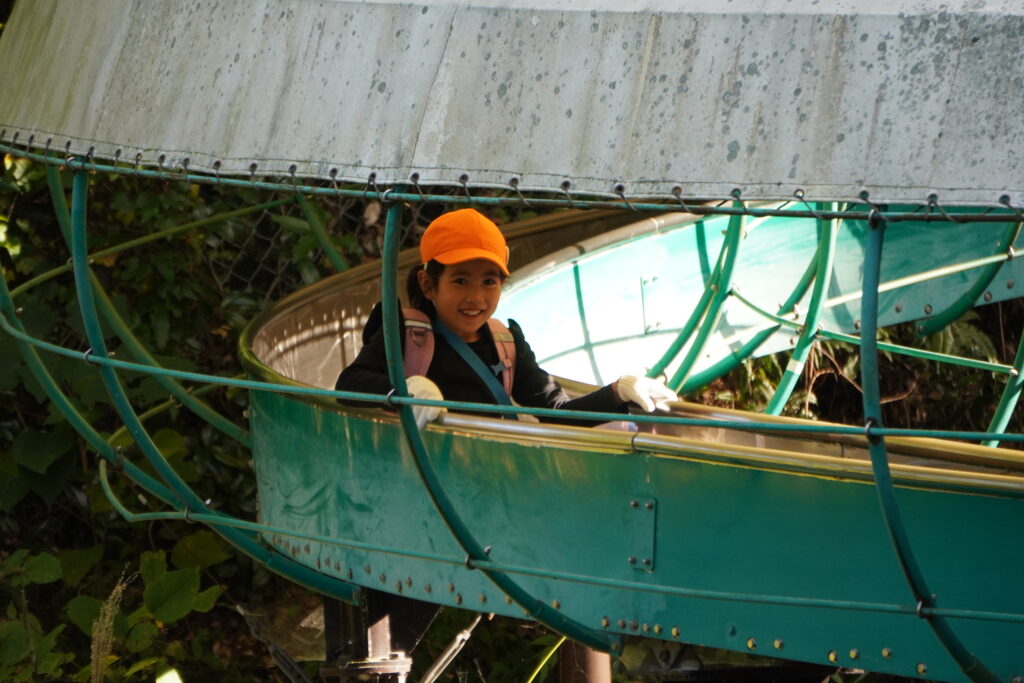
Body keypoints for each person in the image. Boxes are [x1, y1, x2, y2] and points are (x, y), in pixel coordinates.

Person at [335, 208, 677, 428]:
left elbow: (555, 410)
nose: (476, 297)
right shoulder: (404, 333)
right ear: (428, 284)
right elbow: (348, 385)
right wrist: (405, 389)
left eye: (489, 281)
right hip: (419, 480)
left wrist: (619, 391)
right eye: (460, 280)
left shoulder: (505, 343)